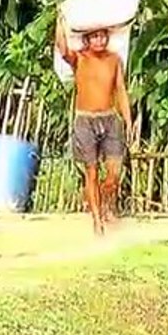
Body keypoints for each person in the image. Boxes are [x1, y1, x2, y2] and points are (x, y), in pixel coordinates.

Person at [56, 15, 134, 235]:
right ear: (87, 39)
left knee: (113, 175)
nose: (99, 40)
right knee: (91, 172)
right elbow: (62, 48)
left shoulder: (114, 60)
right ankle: (97, 220)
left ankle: (99, 199)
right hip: (85, 120)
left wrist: (128, 120)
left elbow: (120, 90)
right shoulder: (78, 58)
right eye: (95, 36)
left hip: (110, 120)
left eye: (102, 36)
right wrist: (59, 22)